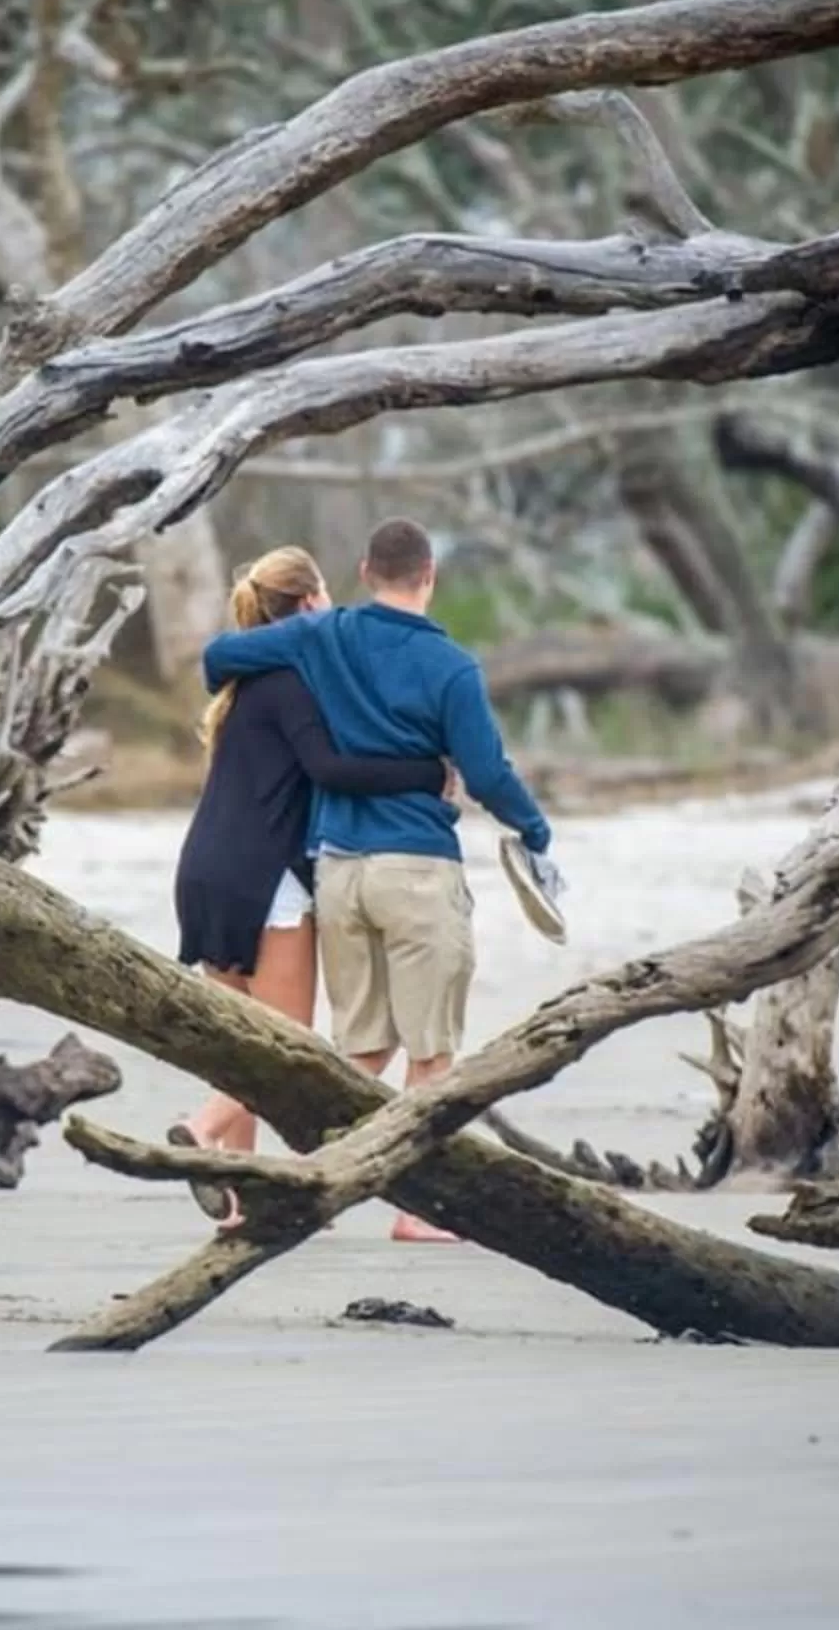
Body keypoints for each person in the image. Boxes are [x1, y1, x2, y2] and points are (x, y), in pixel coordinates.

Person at [203, 517, 556, 1243]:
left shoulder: (324, 635)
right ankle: (415, 1211)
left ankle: (309, 1185)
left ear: (365, 571)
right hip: (417, 868)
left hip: (337, 872)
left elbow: (219, 656)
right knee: (430, 1051)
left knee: (360, 1046)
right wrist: (535, 829)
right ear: (430, 576)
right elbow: (487, 773)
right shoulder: (453, 667)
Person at [169, 547, 451, 1227]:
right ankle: (203, 1130)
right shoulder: (292, 682)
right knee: (286, 1048)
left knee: (243, 1039)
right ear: (310, 600)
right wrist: (424, 774)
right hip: (264, 880)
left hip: (204, 872)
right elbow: (330, 767)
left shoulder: (247, 684)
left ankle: (241, 1198)